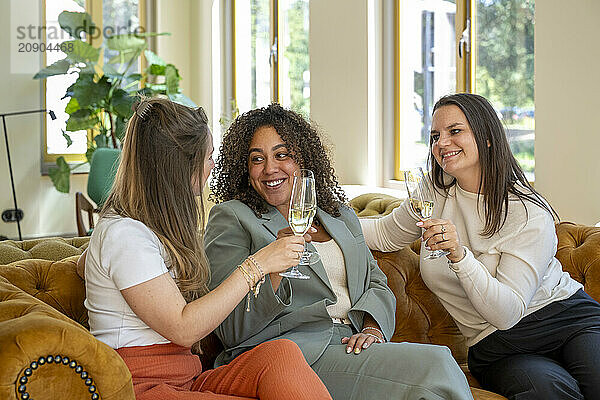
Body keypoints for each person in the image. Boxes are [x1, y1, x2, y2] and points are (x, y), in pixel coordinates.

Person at [205, 103, 473, 400]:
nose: (270, 168)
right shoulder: (231, 218)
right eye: (257, 159)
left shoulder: (340, 216)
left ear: (303, 158)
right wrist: (275, 266)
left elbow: (375, 282)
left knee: (434, 381)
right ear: (245, 168)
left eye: (282, 155)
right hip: (292, 359)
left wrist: (373, 329)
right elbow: (230, 329)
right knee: (436, 365)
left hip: (355, 345)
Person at [80, 97, 332, 400]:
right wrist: (258, 264)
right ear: (179, 165)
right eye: (209, 156)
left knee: (280, 355)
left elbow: (87, 262)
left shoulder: (141, 230)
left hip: (185, 378)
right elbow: (184, 329)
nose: (213, 166)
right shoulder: (124, 235)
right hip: (140, 387)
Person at [361, 93, 600, 400]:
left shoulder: (527, 212)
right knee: (547, 391)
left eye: (455, 131)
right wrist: (319, 220)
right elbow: (383, 233)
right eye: (435, 136)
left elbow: (508, 310)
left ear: (487, 137)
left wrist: (460, 256)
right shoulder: (433, 193)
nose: (441, 143)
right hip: (497, 345)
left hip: (567, 319)